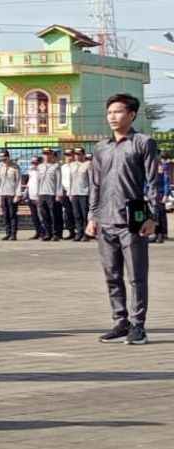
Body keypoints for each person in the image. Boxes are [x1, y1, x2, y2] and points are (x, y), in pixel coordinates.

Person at [85, 93, 160, 345]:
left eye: (118, 112)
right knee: (112, 274)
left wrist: (152, 216)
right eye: (109, 113)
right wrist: (92, 216)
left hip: (134, 219)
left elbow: (153, 183)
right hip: (105, 218)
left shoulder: (143, 143)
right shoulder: (101, 147)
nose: (112, 117)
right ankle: (120, 321)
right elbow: (94, 185)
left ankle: (138, 326)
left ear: (131, 115)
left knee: (137, 275)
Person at [0, 150, 22, 241]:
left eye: (4, 156)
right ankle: (7, 232)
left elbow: (18, 182)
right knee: (5, 215)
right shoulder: (0, 167)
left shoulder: (15, 167)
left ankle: (13, 234)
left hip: (12, 194)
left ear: (8, 157)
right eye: (1, 157)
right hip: (3, 193)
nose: (3, 159)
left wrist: (17, 195)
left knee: (12, 214)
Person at [38, 148, 63, 242]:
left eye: (48, 154)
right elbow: (38, 180)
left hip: (52, 193)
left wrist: (58, 194)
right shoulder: (40, 167)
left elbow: (59, 181)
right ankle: (48, 233)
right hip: (42, 193)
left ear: (52, 155)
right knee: (44, 215)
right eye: (45, 154)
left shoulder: (56, 166)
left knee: (53, 215)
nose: (46, 156)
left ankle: (55, 233)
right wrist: (38, 193)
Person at [67, 148, 91, 242]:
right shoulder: (72, 165)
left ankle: (86, 233)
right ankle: (79, 232)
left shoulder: (88, 164)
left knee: (84, 214)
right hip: (74, 192)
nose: (77, 155)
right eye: (75, 154)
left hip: (84, 193)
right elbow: (70, 179)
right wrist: (70, 192)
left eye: (79, 154)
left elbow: (91, 179)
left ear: (83, 154)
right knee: (76, 214)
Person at [25, 156, 45, 241]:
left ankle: (44, 232)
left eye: (35, 163)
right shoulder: (31, 172)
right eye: (32, 163)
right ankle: (38, 232)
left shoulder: (42, 172)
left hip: (39, 196)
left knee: (42, 216)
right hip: (31, 196)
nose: (33, 165)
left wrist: (39, 195)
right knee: (35, 217)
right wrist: (26, 194)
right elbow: (29, 183)